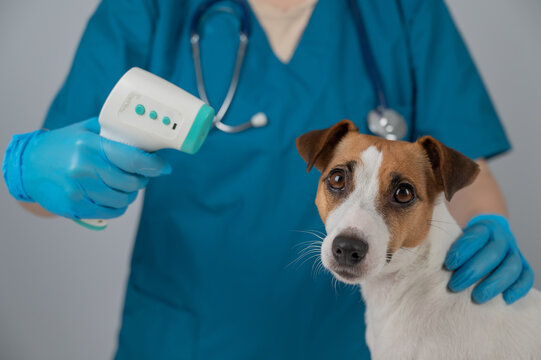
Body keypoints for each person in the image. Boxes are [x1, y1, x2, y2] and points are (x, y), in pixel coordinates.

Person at [2, 0, 535, 358]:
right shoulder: (147, 9)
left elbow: (468, 177)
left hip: (362, 343)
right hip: (185, 337)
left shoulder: (401, 10)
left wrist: (488, 221)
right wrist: (33, 172)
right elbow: (48, 191)